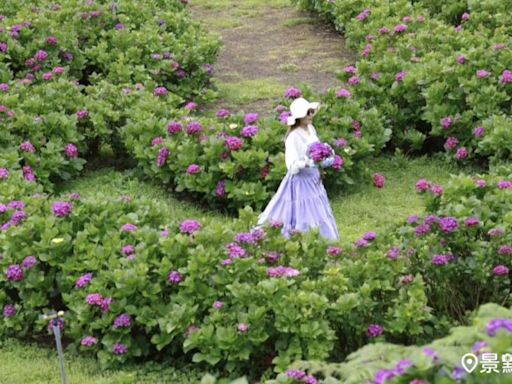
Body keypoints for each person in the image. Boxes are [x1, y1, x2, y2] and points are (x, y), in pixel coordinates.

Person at [257, 97, 340, 241]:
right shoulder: (293, 137)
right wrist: (309, 162)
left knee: (317, 209)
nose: (310, 115)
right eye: (307, 112)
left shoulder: (310, 129)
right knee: (302, 210)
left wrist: (325, 155)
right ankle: (300, 239)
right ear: (299, 116)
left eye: (311, 111)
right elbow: (292, 165)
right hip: (301, 181)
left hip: (313, 178)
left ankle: (319, 238)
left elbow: (317, 148)